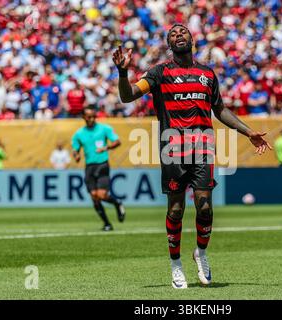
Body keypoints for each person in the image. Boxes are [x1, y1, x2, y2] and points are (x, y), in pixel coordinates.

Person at [112, 24, 271, 289]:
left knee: (205, 205)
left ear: (192, 39)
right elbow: (127, 96)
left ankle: (201, 252)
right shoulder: (159, 73)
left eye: (182, 32)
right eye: (173, 35)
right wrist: (122, 72)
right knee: (175, 210)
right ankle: (176, 264)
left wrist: (248, 132)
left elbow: (219, 109)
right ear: (169, 44)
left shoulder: (207, 74)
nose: (178, 36)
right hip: (172, 147)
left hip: (202, 146)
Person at [71, 107, 126, 231]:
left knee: (101, 195)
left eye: (93, 116)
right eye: (88, 116)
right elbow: (75, 148)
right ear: (83, 117)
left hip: (102, 164)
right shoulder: (79, 134)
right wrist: (76, 155)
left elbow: (117, 141)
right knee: (94, 197)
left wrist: (106, 148)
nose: (91, 119)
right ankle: (107, 223)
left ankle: (117, 203)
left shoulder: (104, 128)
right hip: (89, 166)